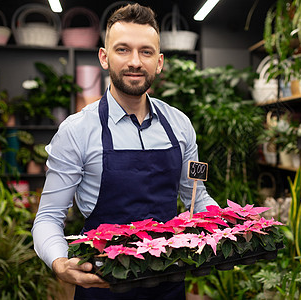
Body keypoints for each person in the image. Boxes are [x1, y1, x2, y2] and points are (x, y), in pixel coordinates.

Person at [31, 3, 218, 299]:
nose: (135, 62)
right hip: (103, 285)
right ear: (104, 58)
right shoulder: (76, 130)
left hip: (169, 285)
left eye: (145, 52)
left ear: (159, 62)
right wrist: (60, 263)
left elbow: (196, 197)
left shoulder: (180, 125)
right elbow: (49, 217)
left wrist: (231, 225)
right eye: (123, 50)